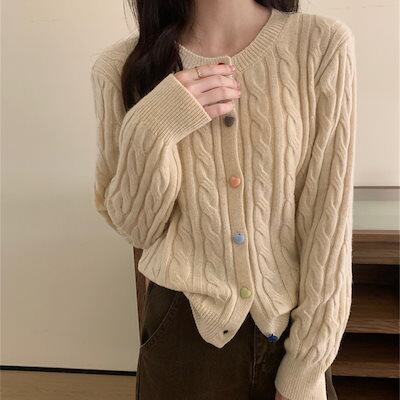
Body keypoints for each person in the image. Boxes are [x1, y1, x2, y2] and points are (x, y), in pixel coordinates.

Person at [90, 1, 357, 399]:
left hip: (292, 330)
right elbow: (137, 229)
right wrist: (151, 127)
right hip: (183, 335)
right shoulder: (120, 67)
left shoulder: (320, 44)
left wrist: (308, 363)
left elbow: (329, 219)